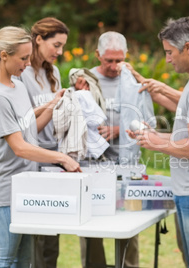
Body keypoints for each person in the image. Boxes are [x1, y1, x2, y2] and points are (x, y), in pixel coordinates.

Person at [0, 26, 81, 268]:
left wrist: (53, 104)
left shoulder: (17, 85)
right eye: (23, 59)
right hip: (5, 189)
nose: (27, 64)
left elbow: (30, 130)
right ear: (4, 56)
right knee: (4, 257)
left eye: (29, 57)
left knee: (25, 259)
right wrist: (61, 157)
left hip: (26, 185)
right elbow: (20, 147)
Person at [127, 17, 189, 268]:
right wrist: (153, 136)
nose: (168, 59)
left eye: (169, 52)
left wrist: (155, 144)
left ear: (188, 48)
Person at [74, 31, 140, 268]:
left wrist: (118, 130)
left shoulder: (131, 79)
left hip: (126, 164)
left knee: (129, 226)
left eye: (119, 60)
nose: (114, 66)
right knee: (90, 226)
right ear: (97, 55)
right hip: (92, 166)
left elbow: (144, 120)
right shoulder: (86, 81)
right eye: (108, 60)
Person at [18, 17, 69, 268]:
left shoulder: (54, 72)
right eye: (56, 45)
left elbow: (55, 116)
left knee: (53, 231)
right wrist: (52, 105)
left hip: (55, 156)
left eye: (62, 47)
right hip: (33, 156)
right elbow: (28, 130)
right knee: (36, 231)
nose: (59, 52)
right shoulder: (21, 73)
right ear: (39, 39)